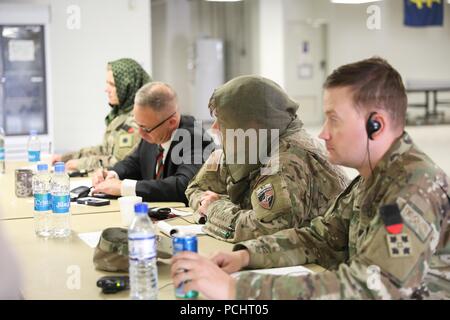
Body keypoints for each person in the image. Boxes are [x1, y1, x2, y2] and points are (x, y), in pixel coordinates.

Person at [171, 57, 450, 300]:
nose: (322, 133)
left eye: (334, 120)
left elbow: (370, 287)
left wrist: (239, 290)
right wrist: (245, 255)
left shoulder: (413, 189)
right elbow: (320, 237)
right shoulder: (373, 179)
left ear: (375, 125)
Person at [185, 75, 348, 243]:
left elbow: (266, 232)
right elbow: (195, 188)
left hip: (316, 265)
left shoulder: (287, 160)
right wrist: (213, 204)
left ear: (252, 124)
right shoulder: (249, 147)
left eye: (222, 120)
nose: (214, 128)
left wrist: (214, 208)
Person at [92, 82, 212, 204]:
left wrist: (123, 187)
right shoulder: (153, 130)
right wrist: (112, 174)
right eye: (138, 124)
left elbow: (183, 186)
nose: (140, 133)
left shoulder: (196, 139)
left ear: (171, 122)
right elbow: (133, 162)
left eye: (145, 128)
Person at [52, 58, 151, 171]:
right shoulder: (121, 114)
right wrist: (66, 157)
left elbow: (120, 161)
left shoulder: (137, 118)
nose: (106, 89)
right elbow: (105, 149)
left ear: (128, 85)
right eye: (107, 83)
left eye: (112, 85)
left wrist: (82, 164)